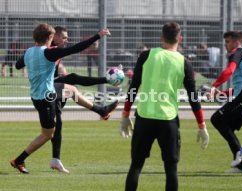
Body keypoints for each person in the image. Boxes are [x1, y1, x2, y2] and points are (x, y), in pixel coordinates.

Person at [11, 23, 118, 174]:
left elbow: (17, 65)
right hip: (46, 97)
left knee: (71, 89)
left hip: (38, 95)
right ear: (50, 37)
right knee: (47, 134)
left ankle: (101, 110)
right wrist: (97, 36)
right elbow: (76, 49)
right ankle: (19, 160)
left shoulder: (29, 52)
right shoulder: (48, 53)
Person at [119, 22, 209, 191]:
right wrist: (201, 125)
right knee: (171, 170)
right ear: (180, 39)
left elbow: (133, 87)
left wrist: (125, 114)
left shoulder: (146, 56)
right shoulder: (185, 63)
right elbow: (193, 98)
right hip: (168, 121)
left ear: (161, 37)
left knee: (136, 166)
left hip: (144, 118)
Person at [50, 26, 116, 173]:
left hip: (53, 85)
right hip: (47, 89)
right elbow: (77, 48)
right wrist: (97, 36)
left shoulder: (51, 49)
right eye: (64, 37)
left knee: (57, 124)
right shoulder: (51, 49)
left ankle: (55, 159)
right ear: (55, 37)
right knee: (48, 131)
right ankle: (102, 106)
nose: (67, 40)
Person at [208, 31, 242, 173]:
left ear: (237, 42)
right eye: (225, 42)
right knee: (225, 125)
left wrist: (214, 86)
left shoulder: (238, 52)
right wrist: (222, 94)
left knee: (217, 119)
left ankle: (239, 150)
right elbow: (241, 88)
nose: (226, 45)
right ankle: (241, 166)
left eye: (228, 42)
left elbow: (229, 71)